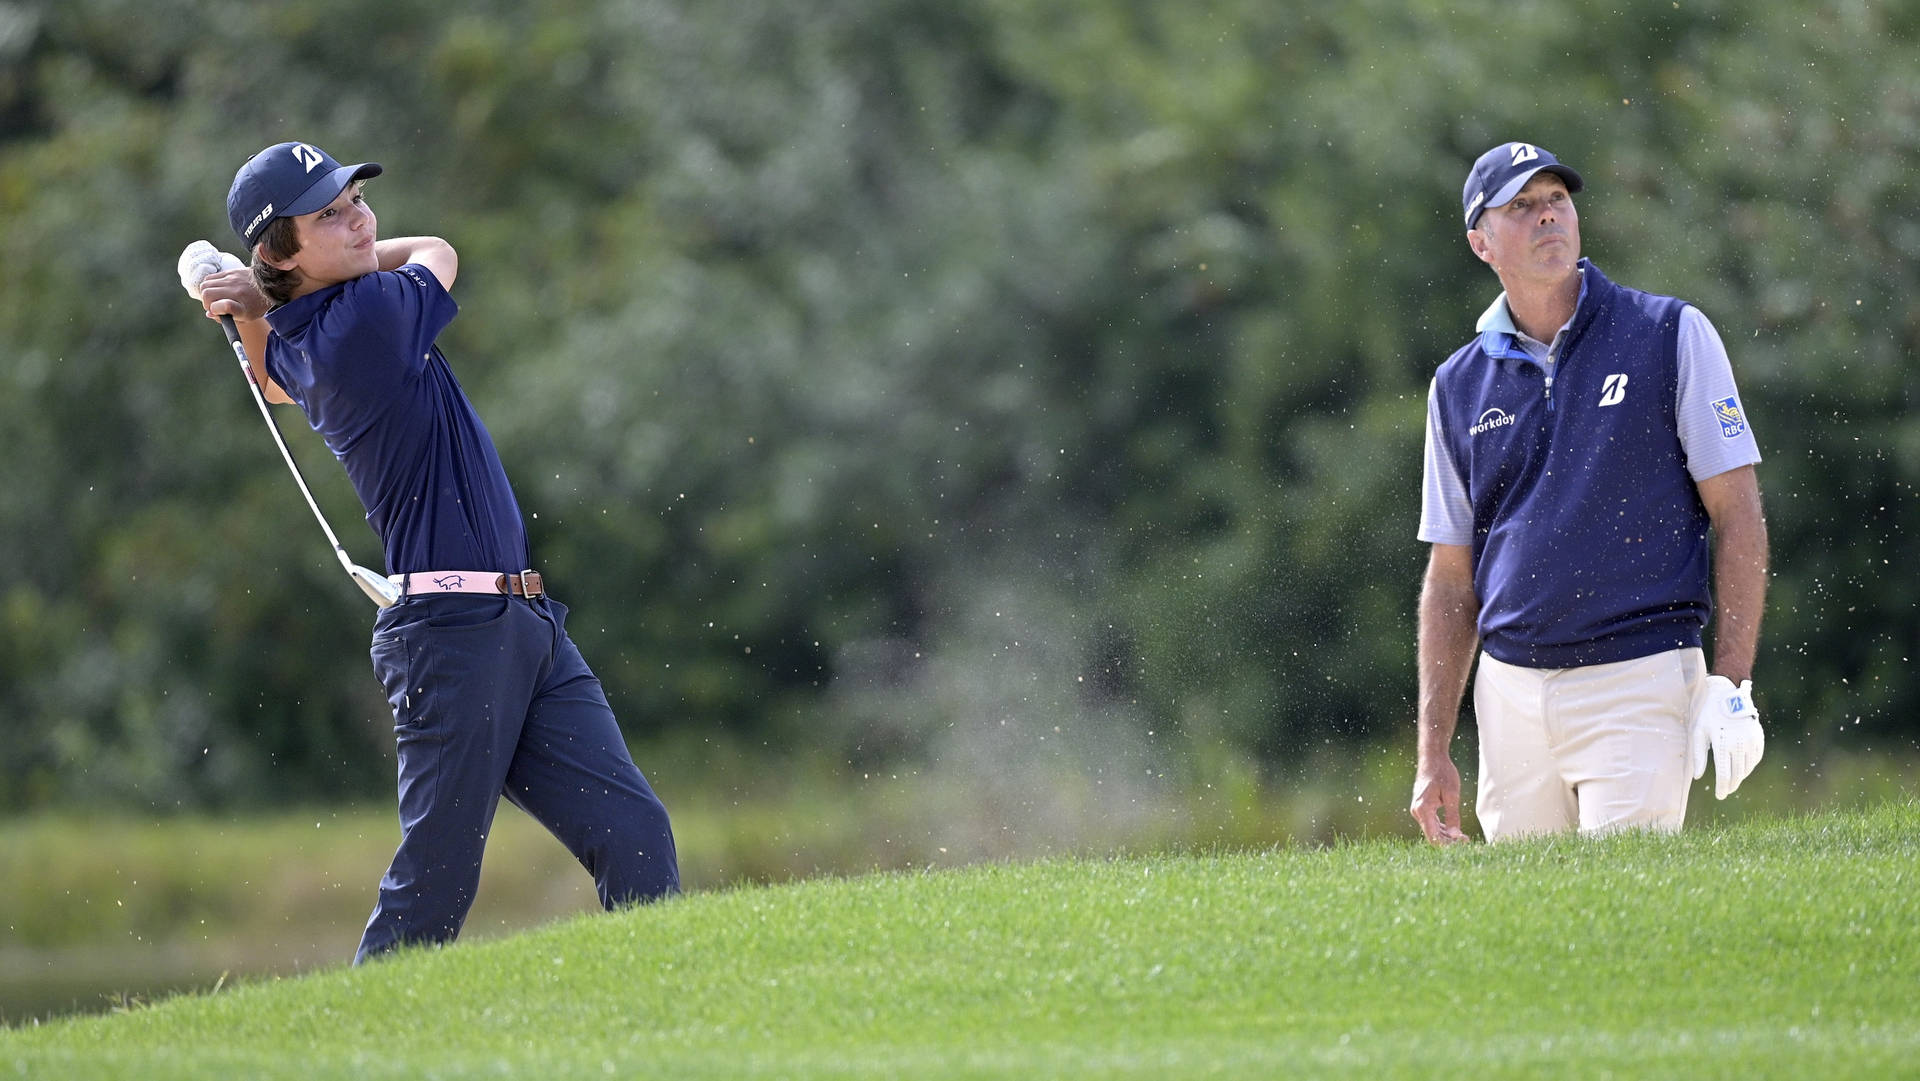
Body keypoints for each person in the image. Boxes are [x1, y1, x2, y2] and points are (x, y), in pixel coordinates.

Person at [197, 141, 680, 960]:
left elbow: (271, 378)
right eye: (329, 215)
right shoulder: (368, 318)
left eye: (355, 200)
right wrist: (263, 292)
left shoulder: (313, 331)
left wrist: (259, 296)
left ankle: (674, 1005)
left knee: (634, 830)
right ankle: (361, 1037)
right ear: (280, 248)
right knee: (437, 877)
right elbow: (439, 251)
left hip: (521, 623)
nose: (359, 220)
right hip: (453, 636)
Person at [1408, 141, 1769, 845]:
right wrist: (1432, 750)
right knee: (1528, 932)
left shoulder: (1667, 333)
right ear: (1481, 242)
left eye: (1556, 201)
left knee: (1627, 908)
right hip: (1509, 693)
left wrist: (1731, 681)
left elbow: (1739, 511)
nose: (1547, 217)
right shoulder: (1456, 386)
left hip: (1639, 676)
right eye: (1522, 207)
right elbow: (1452, 580)